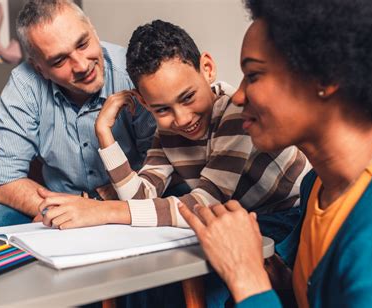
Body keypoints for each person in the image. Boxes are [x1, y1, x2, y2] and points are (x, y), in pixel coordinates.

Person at [179, 0, 372, 306]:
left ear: (325, 77)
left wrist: (247, 278)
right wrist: (283, 286)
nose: (238, 95)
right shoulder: (315, 185)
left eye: (254, 75)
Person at [38, 20, 310, 245]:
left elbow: (204, 203)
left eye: (188, 97)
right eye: (162, 109)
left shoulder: (236, 112)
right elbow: (139, 198)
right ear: (144, 103)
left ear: (207, 69)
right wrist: (104, 133)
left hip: (288, 216)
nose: (182, 119)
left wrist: (102, 211)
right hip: (236, 217)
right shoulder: (166, 130)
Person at [0, 0, 156, 229]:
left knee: (183, 194)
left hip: (131, 196)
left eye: (82, 44)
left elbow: (163, 160)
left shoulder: (133, 71)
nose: (81, 66)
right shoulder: (24, 85)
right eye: (59, 60)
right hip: (61, 201)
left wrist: (103, 207)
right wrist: (62, 210)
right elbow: (4, 180)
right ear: (40, 68)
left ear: (93, 30)